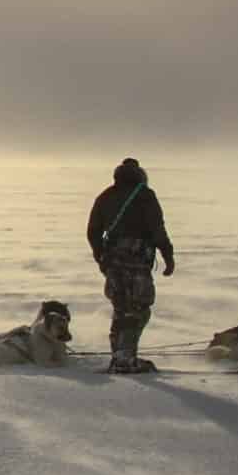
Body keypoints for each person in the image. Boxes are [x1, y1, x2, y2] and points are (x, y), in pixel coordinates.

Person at [87, 156, 174, 373]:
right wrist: (168, 256)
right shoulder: (145, 195)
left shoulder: (106, 196)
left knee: (120, 308)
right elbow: (157, 229)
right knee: (139, 308)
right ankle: (126, 359)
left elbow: (93, 231)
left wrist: (100, 256)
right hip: (137, 259)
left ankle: (119, 356)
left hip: (113, 259)